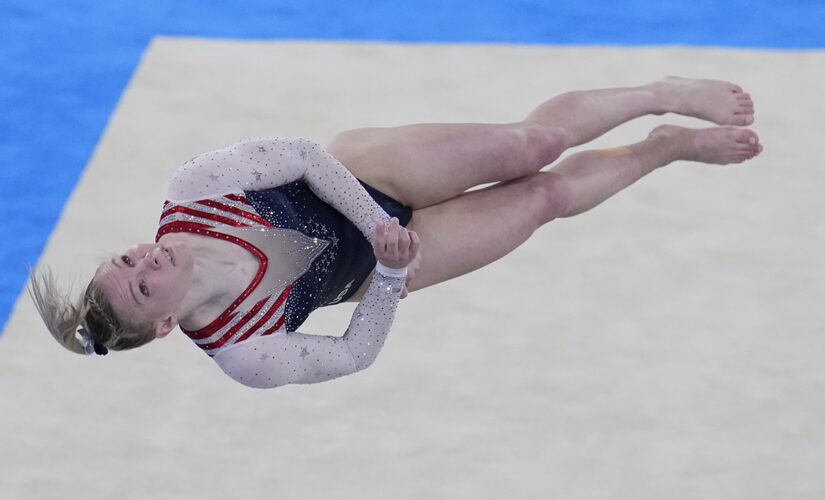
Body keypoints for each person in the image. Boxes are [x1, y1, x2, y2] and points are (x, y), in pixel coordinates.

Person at [29, 76, 761, 389]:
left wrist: (379, 227)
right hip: (383, 268)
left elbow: (306, 156)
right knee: (543, 198)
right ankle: (663, 145)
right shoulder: (246, 353)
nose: (145, 255)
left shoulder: (193, 190)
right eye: (143, 280)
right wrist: (385, 274)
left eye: (125, 255)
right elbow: (352, 352)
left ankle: (658, 93)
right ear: (163, 325)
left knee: (529, 147)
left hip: (365, 176)